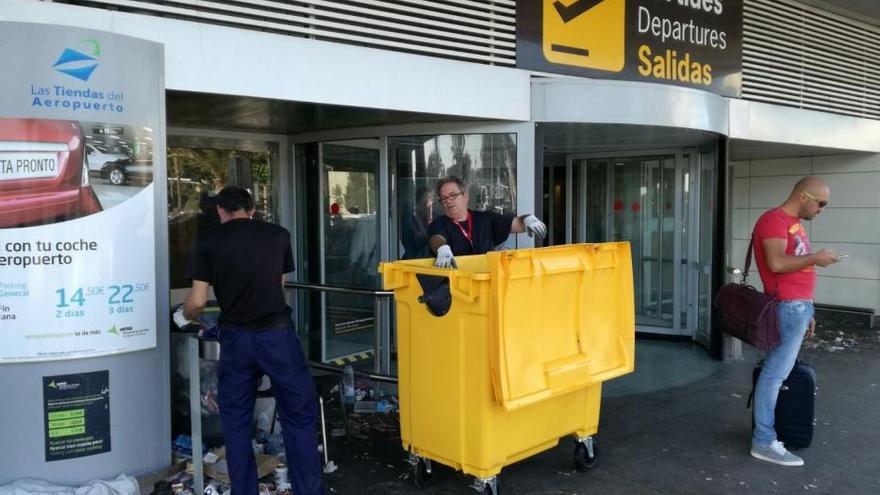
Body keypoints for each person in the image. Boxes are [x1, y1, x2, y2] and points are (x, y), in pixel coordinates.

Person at [179, 186, 324, 495]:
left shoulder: (208, 241)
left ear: (220, 211)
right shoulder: (279, 236)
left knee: (236, 422)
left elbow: (199, 300)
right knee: (298, 416)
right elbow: (279, 285)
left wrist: (186, 316)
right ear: (252, 208)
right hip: (277, 335)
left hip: (236, 339)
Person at [750, 176, 840, 467]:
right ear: (804, 196)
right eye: (821, 203)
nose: (821, 210)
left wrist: (808, 311)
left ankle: (767, 435)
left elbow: (796, 268)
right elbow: (776, 263)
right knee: (775, 373)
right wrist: (815, 258)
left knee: (778, 371)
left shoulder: (794, 224)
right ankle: (763, 441)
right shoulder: (773, 221)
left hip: (798, 307)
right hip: (787, 307)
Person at [428, 176, 546, 267]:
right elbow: (437, 239)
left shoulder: (485, 218)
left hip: (487, 283)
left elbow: (518, 224)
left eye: (452, 195)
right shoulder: (439, 224)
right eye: (444, 198)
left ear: (465, 196)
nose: (448, 201)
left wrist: (528, 219)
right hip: (458, 287)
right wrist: (442, 249)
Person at [401, 185, 434, 259]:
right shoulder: (410, 222)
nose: (429, 204)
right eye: (425, 200)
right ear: (418, 202)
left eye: (431, 199)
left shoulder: (436, 218)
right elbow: (408, 248)